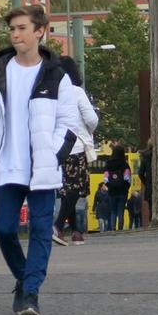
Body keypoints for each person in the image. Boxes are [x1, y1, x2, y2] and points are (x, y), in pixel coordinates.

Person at [0, 5, 84, 315]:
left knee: (39, 229)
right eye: (12, 29)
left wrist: (52, 154)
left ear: (39, 31)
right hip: (7, 166)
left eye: (22, 28)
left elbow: (69, 122)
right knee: (5, 230)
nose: (15, 34)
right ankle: (24, 279)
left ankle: (31, 293)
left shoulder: (55, 75)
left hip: (41, 167)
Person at [53, 56, 97, 245]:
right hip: (76, 146)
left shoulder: (51, 92)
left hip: (56, 147)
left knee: (66, 190)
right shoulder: (76, 92)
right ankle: (58, 225)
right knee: (75, 189)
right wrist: (88, 132)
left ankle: (76, 231)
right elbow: (92, 118)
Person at [103, 146, 131, 231]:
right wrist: (126, 188)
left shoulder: (108, 164)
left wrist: (110, 186)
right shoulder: (125, 164)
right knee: (120, 211)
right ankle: (120, 228)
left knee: (113, 211)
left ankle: (113, 228)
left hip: (112, 192)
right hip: (122, 192)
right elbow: (127, 178)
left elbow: (105, 179)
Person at [138, 138, 153, 226]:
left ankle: (151, 221)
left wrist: (146, 181)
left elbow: (140, 173)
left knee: (151, 205)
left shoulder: (145, 157)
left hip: (149, 183)